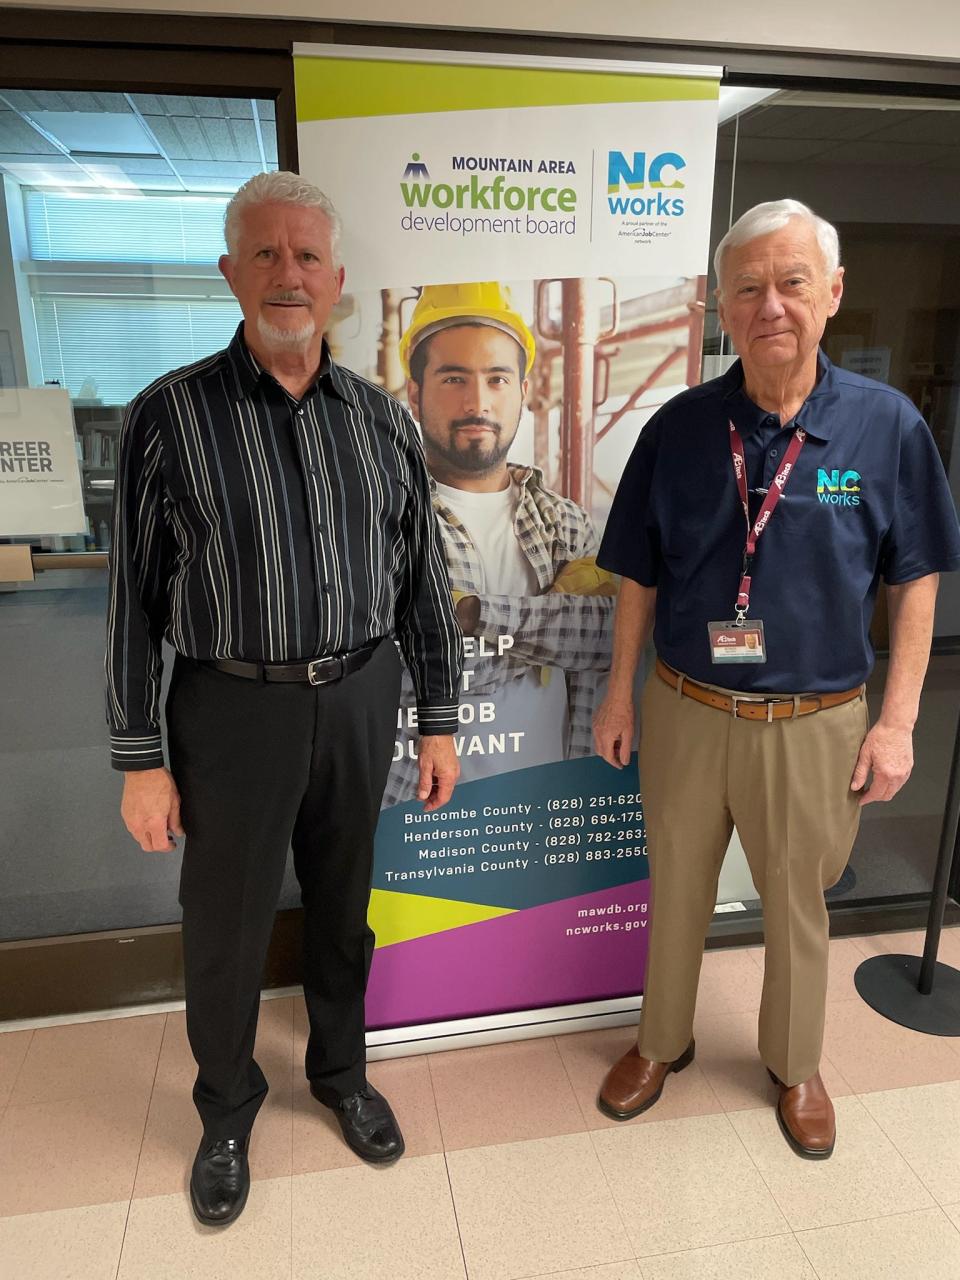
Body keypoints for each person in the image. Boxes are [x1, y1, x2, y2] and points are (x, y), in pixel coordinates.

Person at [105, 171, 462, 1226]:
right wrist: (138, 754)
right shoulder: (166, 416)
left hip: (359, 696)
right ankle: (225, 1107)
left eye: (306, 256)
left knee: (342, 908)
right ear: (230, 271)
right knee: (225, 923)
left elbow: (423, 586)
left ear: (338, 280)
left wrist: (437, 714)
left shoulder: (386, 422)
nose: (287, 274)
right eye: (264, 254)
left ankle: (341, 1072)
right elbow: (129, 594)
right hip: (229, 710)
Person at [593, 199, 960, 1159]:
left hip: (816, 719)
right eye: (749, 287)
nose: (771, 306)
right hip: (687, 709)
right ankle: (658, 1044)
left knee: (798, 899)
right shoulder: (677, 429)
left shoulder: (887, 430)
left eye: (792, 282)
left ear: (832, 293)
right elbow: (637, 570)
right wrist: (621, 692)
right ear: (722, 302)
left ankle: (796, 1065)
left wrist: (900, 722)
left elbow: (914, 578)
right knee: (675, 884)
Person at [383, 281, 614, 804]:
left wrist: (470, 615)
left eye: (497, 378)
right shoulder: (383, 521)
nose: (477, 401)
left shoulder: (564, 523)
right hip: (421, 808)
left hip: (549, 802)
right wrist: (552, 627)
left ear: (523, 392)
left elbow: (608, 641)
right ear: (415, 394)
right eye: (454, 378)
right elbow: (394, 673)